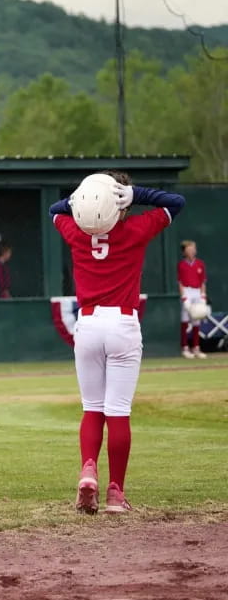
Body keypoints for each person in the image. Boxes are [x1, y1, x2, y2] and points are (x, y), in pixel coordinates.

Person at [50, 172, 185, 513]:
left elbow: (56, 209)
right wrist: (135, 193)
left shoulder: (76, 232)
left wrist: (86, 197)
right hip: (123, 322)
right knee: (118, 412)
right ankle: (115, 493)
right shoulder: (135, 229)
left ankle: (88, 469)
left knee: (92, 407)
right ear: (122, 205)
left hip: (89, 324)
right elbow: (176, 203)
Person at [178, 239, 208, 359]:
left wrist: (203, 296)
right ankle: (185, 347)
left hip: (197, 292)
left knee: (197, 319)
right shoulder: (181, 265)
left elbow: (203, 282)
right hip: (187, 292)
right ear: (185, 252)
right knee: (185, 320)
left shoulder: (200, 264)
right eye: (189, 249)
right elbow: (179, 282)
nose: (192, 251)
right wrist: (184, 297)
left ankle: (196, 347)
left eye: (193, 249)